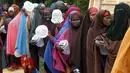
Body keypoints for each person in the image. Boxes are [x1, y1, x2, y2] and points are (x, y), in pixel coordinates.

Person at [94, 3, 130, 73]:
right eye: (118, 13)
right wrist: (99, 41)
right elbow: (105, 36)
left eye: (123, 13)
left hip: (125, 65)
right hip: (110, 66)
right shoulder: (112, 28)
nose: (120, 16)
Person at [74, 7, 98, 73]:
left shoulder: (101, 27)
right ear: (88, 16)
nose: (95, 17)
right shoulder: (84, 28)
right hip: (86, 56)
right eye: (93, 15)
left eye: (96, 15)